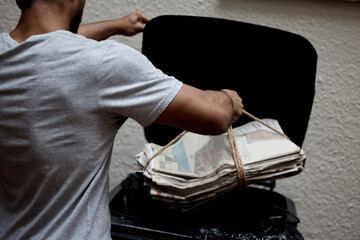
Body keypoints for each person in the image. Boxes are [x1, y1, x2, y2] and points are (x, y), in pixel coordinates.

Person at [0, 0, 243, 239]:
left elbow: (46, 44)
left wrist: (116, 25)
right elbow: (215, 117)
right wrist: (229, 100)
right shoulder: (105, 63)